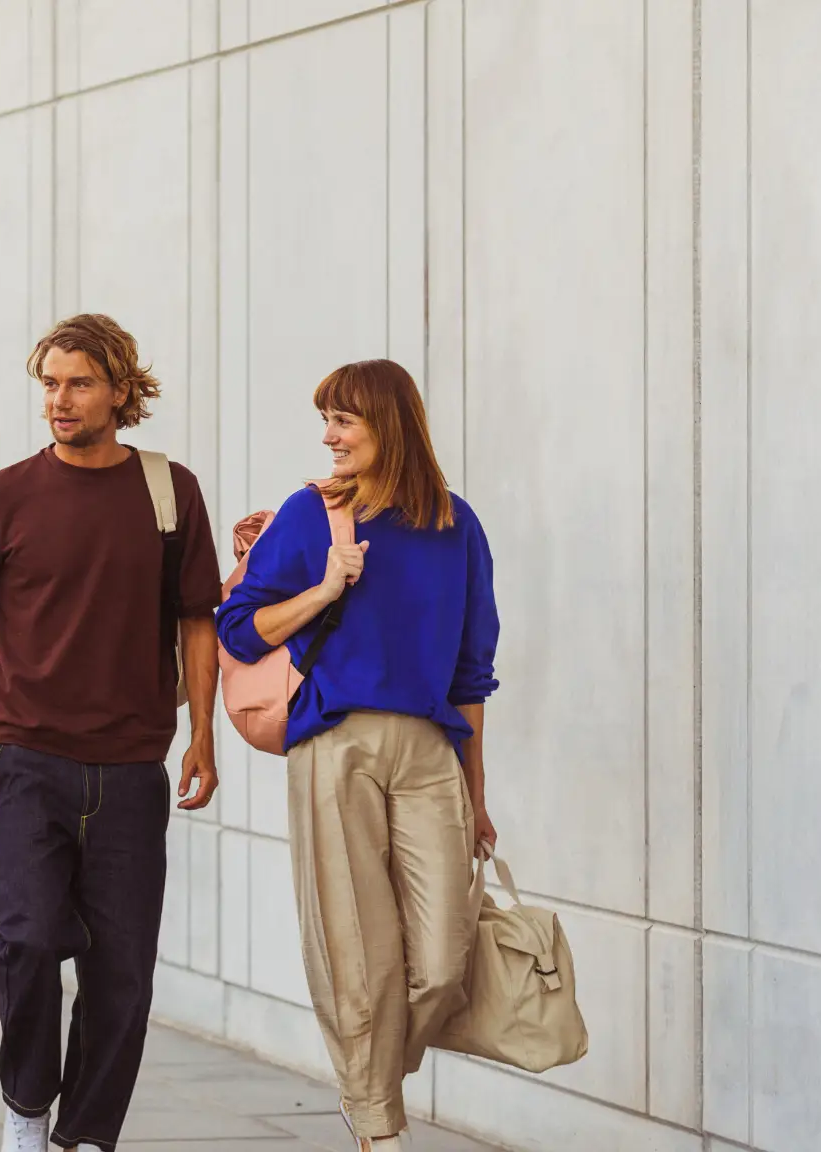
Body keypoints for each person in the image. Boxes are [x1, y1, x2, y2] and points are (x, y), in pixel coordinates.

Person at [0, 313, 222, 1152]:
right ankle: (27, 1106)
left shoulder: (170, 492)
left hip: (133, 766)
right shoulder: (3, 495)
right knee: (28, 941)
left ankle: (87, 1134)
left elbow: (198, 620)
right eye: (49, 383)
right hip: (29, 758)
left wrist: (203, 736)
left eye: (79, 383)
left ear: (120, 390)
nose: (60, 400)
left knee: (123, 972)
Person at [215, 359, 500, 1152]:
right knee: (355, 947)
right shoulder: (312, 514)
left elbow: (472, 672)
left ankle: (366, 1083)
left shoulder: (456, 525)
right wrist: (322, 591)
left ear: (390, 425)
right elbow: (237, 629)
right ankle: (378, 1125)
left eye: (344, 421)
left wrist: (476, 794)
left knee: (442, 960)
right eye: (327, 421)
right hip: (334, 742)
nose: (329, 437)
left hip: (430, 750)